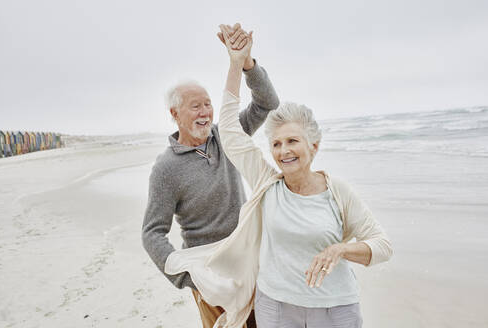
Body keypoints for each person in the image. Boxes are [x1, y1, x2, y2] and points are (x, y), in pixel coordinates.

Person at [165, 25, 393, 328]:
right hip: (275, 307)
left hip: (336, 307)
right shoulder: (267, 183)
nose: (284, 151)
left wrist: (342, 249)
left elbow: (382, 246)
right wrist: (235, 64)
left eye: (292, 141)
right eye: (276, 143)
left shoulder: (337, 192)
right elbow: (230, 130)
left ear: (314, 146)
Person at [142, 23, 279, 328]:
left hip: (250, 261)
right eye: (195, 106)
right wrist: (190, 279)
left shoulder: (227, 136)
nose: (205, 112)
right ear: (174, 114)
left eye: (208, 104)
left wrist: (247, 64)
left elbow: (268, 103)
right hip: (211, 274)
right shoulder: (165, 169)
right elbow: (152, 233)